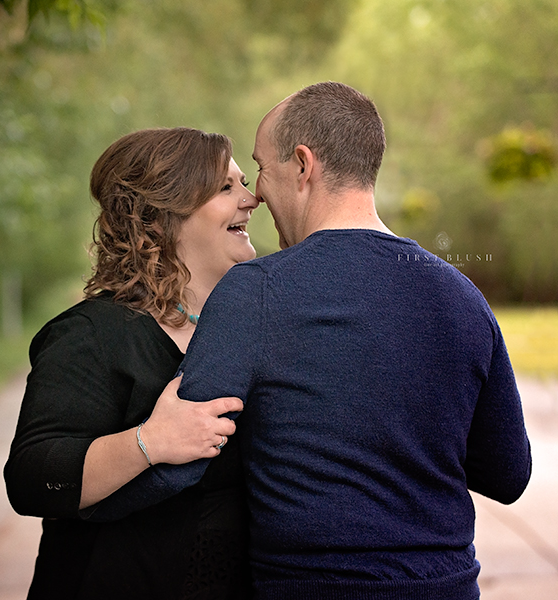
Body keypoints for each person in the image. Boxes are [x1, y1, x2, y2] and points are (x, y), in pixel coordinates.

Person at [172, 81, 532, 599]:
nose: (254, 193)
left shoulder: (257, 290)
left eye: (261, 168)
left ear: (302, 165)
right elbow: (508, 474)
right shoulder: (461, 295)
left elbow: (183, 461)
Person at [4, 127, 259, 599]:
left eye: (245, 182)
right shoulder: (90, 335)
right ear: (160, 217)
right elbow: (31, 479)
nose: (253, 198)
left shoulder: (248, 330)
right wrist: (151, 441)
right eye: (227, 187)